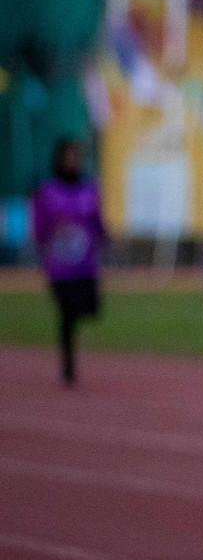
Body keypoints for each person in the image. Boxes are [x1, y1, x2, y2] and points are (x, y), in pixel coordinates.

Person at [31, 139, 108, 387]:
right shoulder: (47, 191)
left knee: (89, 309)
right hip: (60, 267)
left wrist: (106, 238)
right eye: (68, 156)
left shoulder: (88, 187)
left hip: (85, 264)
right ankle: (68, 364)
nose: (72, 161)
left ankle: (70, 352)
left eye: (75, 156)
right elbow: (40, 227)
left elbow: (97, 220)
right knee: (66, 314)